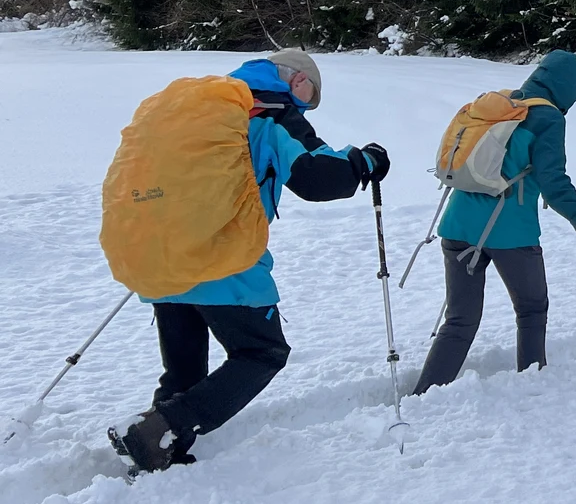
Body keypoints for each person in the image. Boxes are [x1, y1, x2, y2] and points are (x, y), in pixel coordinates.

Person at [111, 50, 389, 473]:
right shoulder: (272, 114)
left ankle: (158, 450)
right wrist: (366, 161)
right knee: (261, 353)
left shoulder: (204, 113)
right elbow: (319, 178)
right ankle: (164, 425)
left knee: (184, 368)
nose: (305, 106)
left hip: (164, 261)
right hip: (225, 263)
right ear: (296, 81)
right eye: (309, 95)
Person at [412, 51, 576, 394]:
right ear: (568, 89)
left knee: (459, 320)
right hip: (509, 231)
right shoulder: (547, 117)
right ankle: (533, 384)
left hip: (457, 224)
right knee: (531, 308)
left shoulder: (502, 103)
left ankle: (424, 396)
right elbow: (553, 182)